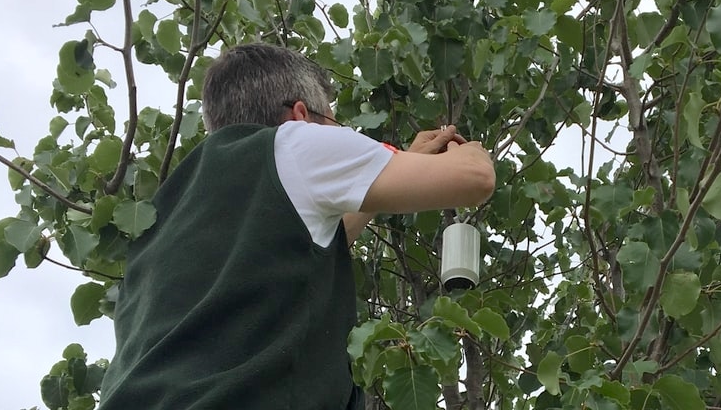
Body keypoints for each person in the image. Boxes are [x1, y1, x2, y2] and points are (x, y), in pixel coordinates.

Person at [98, 43, 496, 409]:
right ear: (301, 115)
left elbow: (305, 238)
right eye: (332, 122)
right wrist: (472, 152)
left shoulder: (167, 210)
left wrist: (407, 158)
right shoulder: (294, 142)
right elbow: (475, 180)